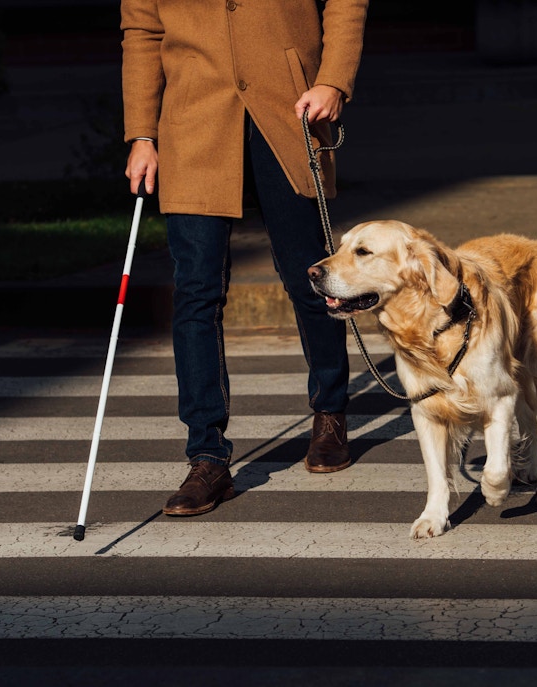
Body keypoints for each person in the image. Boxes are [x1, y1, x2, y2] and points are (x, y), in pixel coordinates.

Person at [120, 0, 370, 516]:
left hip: (288, 110)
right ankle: (207, 455)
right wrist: (143, 133)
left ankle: (330, 411)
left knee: (313, 280)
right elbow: (141, 32)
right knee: (195, 292)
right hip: (192, 123)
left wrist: (333, 81)